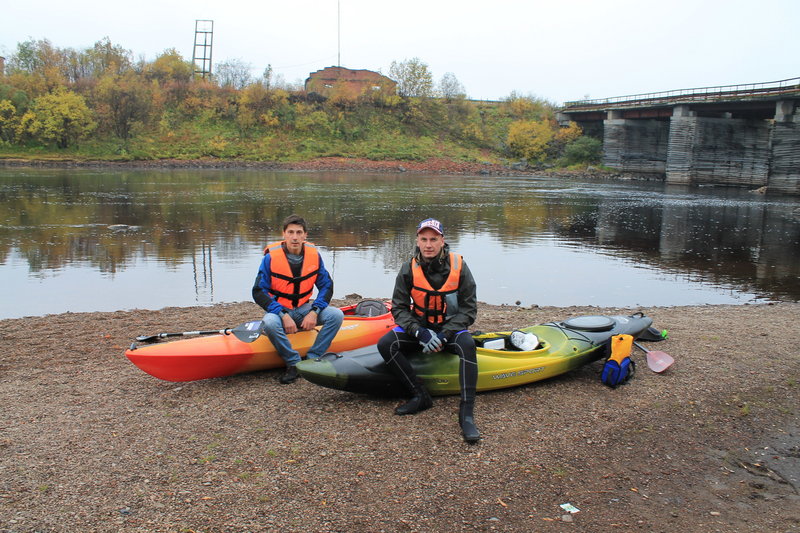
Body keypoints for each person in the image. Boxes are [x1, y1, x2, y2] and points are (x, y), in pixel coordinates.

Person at [377, 218, 480, 443]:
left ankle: (467, 413)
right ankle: (420, 395)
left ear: (442, 241)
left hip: (450, 331)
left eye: (433, 239)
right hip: (422, 330)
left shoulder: (459, 266)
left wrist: (444, 334)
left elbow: (469, 310)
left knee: (468, 346)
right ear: (417, 241)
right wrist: (419, 332)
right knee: (386, 344)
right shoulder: (408, 268)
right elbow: (399, 308)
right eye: (424, 239)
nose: (428, 244)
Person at [253, 214, 344, 384]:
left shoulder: (314, 256)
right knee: (270, 323)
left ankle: (313, 357)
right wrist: (282, 314)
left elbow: (326, 286)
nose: (295, 237)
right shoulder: (270, 258)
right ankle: (293, 363)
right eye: (291, 232)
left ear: (305, 235)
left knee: (336, 315)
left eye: (298, 232)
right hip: (280, 310)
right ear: (284, 234)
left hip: (304, 308)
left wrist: (315, 311)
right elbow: (258, 291)